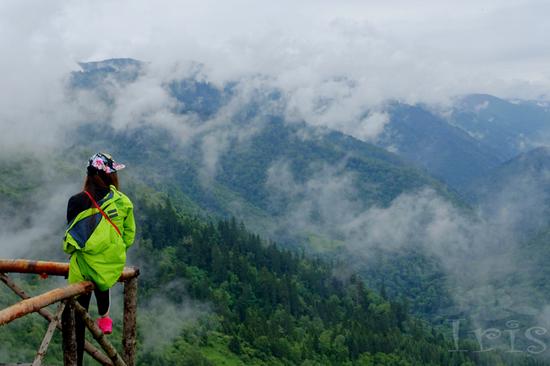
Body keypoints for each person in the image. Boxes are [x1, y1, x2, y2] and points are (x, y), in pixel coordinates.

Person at [63, 152, 135, 366]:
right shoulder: (122, 203)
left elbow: (73, 238)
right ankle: (105, 316)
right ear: (111, 175)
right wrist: (109, 252)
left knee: (76, 323)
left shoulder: (76, 202)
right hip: (109, 268)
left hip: (81, 272)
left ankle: (75, 362)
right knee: (102, 280)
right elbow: (128, 237)